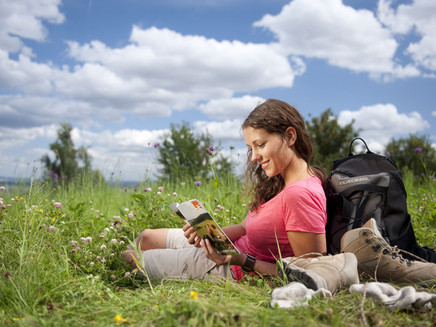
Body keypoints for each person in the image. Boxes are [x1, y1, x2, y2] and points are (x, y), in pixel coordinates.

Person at [122, 98, 358, 290]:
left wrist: (240, 260)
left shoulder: (301, 195)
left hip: (233, 269)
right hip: (227, 249)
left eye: (261, 144)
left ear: (290, 136)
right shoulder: (282, 181)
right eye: (250, 148)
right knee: (146, 237)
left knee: (130, 259)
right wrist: (211, 234)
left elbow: (309, 272)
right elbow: (246, 227)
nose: (254, 156)